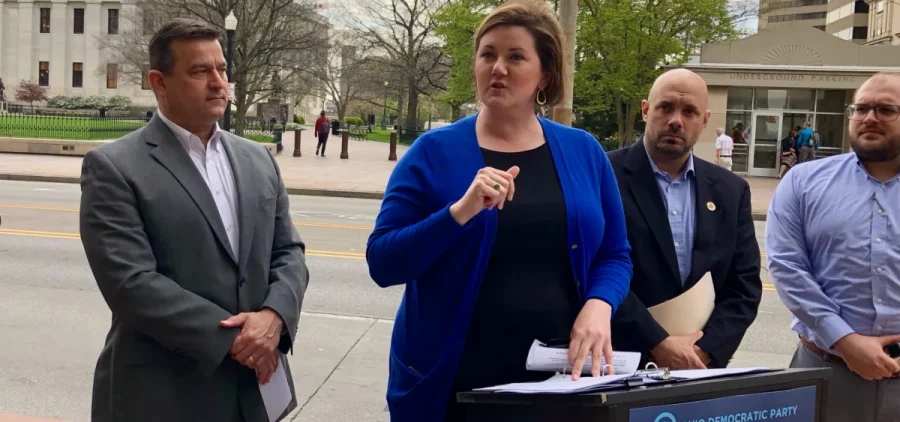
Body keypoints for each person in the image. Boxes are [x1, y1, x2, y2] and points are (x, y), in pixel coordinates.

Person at [365, 2, 633, 421]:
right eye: (487, 54)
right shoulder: (433, 153)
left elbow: (615, 254)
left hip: (561, 381)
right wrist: (459, 212)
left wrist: (600, 304)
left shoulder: (583, 151)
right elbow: (382, 261)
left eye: (515, 56)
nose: (498, 68)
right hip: (456, 383)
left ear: (544, 73)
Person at [78, 19, 309, 422]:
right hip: (164, 394)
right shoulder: (115, 167)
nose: (219, 83)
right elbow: (130, 283)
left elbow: (288, 252)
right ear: (159, 81)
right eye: (200, 71)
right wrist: (241, 339)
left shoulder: (257, 159)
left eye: (221, 69)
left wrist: (274, 317)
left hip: (253, 391)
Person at [608, 69, 762, 370]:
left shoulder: (731, 191)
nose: (676, 120)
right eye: (665, 107)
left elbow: (743, 286)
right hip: (620, 363)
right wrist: (658, 343)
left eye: (689, 111)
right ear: (645, 110)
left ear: (704, 121)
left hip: (699, 367)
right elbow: (592, 270)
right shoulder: (604, 175)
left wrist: (706, 350)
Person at [766, 72, 900, 421]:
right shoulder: (803, 181)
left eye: (886, 109)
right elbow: (786, 266)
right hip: (825, 373)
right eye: (861, 108)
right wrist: (845, 341)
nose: (870, 117)